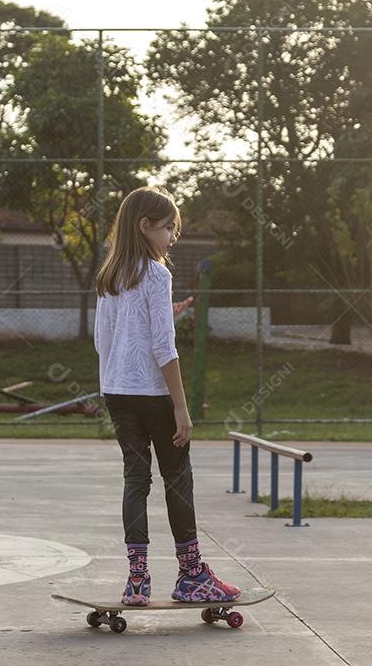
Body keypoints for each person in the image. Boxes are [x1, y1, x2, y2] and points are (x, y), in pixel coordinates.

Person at [93, 185, 241, 606]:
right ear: (145, 227)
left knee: (136, 480)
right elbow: (164, 348)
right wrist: (181, 407)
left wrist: (163, 316)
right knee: (177, 479)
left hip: (117, 392)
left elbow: (104, 341)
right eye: (168, 228)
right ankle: (191, 575)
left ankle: (137, 582)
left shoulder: (110, 277)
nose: (173, 236)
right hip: (154, 395)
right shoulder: (157, 275)